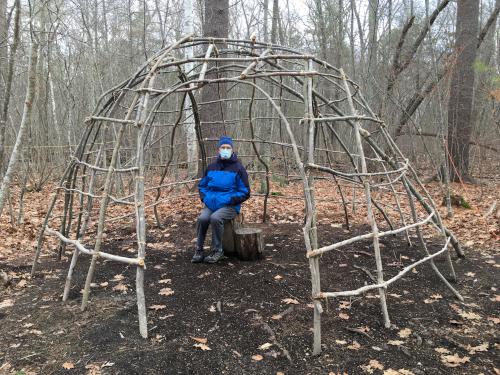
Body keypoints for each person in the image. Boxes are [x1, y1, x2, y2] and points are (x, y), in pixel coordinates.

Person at [192, 136, 251, 264]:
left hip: (229, 205)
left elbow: (245, 192)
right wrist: (206, 198)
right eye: (223, 147)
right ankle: (199, 249)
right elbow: (202, 186)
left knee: (215, 218)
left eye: (228, 148)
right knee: (202, 219)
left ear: (232, 150)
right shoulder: (211, 167)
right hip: (211, 203)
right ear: (218, 150)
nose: (225, 149)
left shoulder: (239, 168)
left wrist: (229, 200)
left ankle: (217, 250)